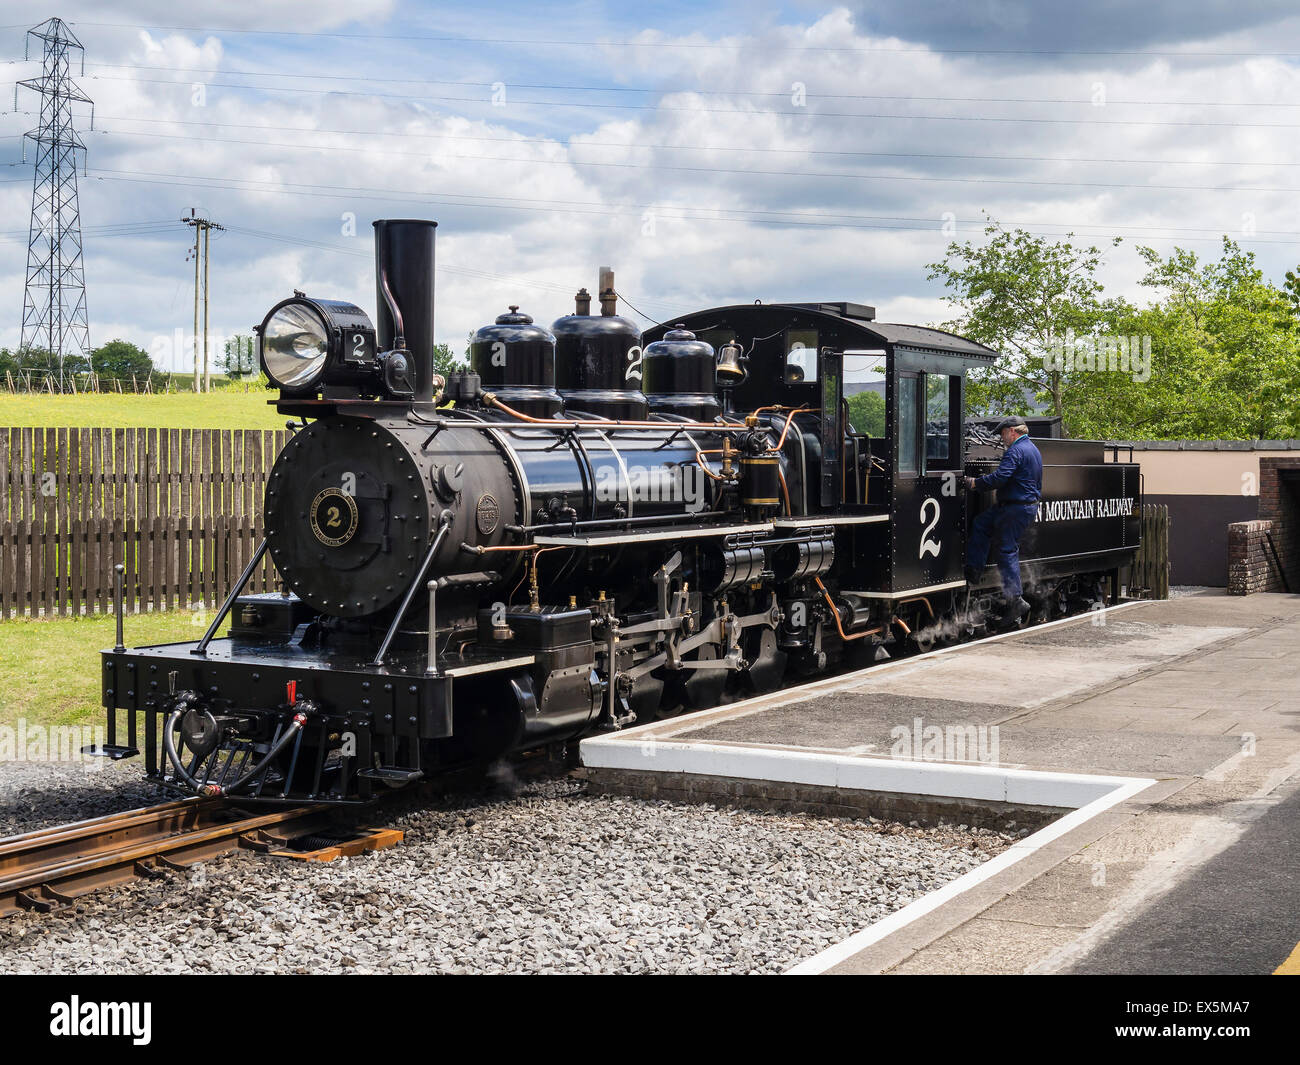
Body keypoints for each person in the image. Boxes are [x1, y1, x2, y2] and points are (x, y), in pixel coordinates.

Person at [964, 416, 1042, 628]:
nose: (1002, 438)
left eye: (1002, 434)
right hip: (1013, 505)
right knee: (981, 523)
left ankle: (1015, 599)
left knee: (1006, 549)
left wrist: (974, 483)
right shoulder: (1033, 449)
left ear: (1011, 431)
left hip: (1015, 507)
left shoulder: (1016, 451)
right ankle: (974, 569)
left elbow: (1000, 478)